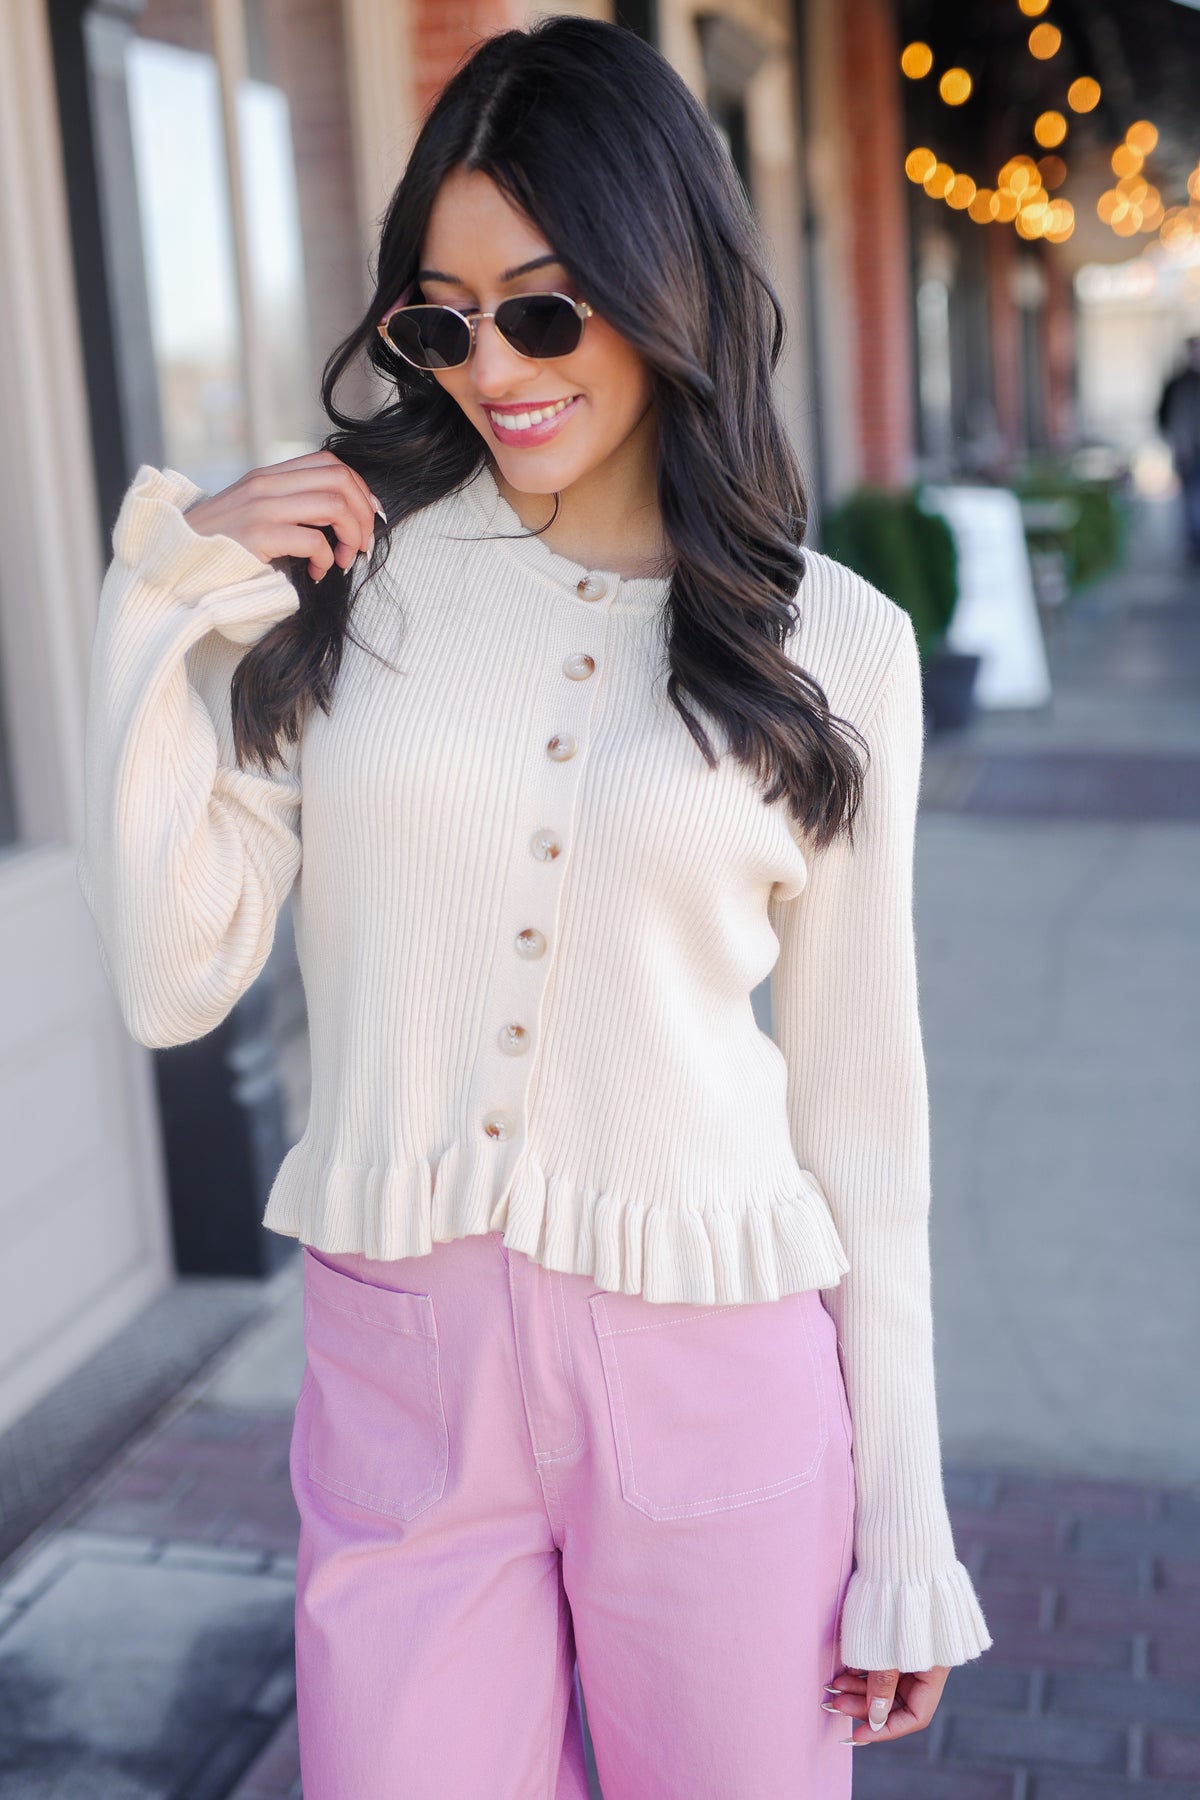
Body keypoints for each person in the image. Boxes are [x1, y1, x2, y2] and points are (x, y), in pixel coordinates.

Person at [77, 16, 991, 1796]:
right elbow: (172, 978)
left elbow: (868, 1130)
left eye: (546, 307)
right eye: (443, 316)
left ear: (665, 285)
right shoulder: (358, 584)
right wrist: (158, 607)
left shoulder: (838, 647)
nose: (493, 366)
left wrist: (906, 1531)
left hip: (717, 1379)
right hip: (404, 1369)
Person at [1157, 335, 1200, 558]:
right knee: (1191, 499)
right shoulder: (1178, 383)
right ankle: (1195, 542)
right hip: (1189, 451)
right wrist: (1176, 442)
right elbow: (1164, 415)